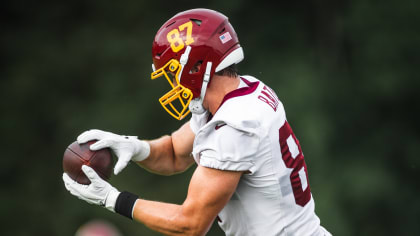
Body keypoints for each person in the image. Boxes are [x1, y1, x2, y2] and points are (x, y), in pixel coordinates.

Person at [63, 8, 331, 236]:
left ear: (195, 67)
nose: (172, 83)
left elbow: (190, 225)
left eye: (172, 71)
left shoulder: (235, 127)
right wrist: (134, 148)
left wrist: (113, 199)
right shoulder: (243, 92)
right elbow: (173, 154)